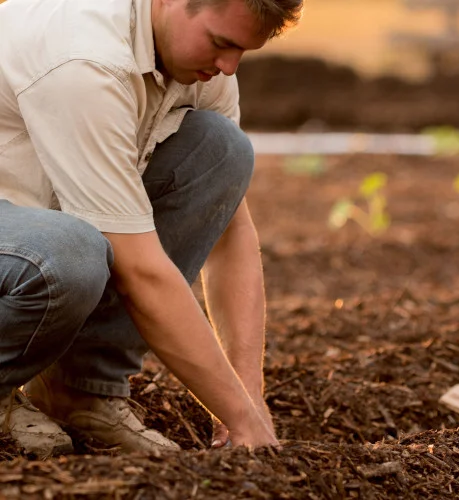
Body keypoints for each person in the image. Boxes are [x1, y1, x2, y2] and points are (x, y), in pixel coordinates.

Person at [0, 0, 302, 456]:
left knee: (221, 151)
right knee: (67, 255)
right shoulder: (86, 59)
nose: (228, 66)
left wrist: (247, 399)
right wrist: (241, 418)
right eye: (221, 43)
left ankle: (82, 390)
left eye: (242, 51)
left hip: (22, 214)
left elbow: (231, 230)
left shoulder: (203, 69)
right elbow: (139, 270)